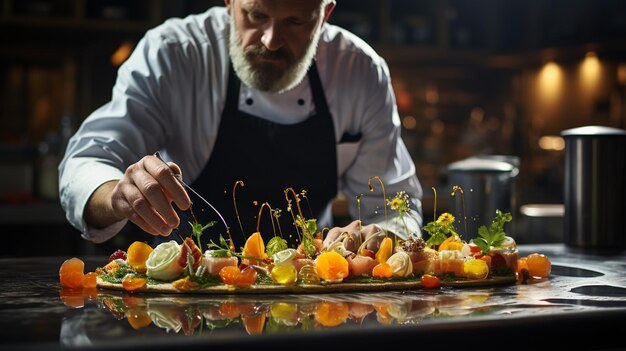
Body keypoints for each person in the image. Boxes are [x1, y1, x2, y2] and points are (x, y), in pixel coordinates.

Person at [59, 0, 423, 251]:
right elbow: (86, 162)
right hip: (184, 297)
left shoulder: (359, 70)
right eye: (256, 15)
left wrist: (383, 235)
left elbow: (393, 207)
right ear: (230, 2)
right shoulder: (175, 52)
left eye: (295, 21)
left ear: (325, 14)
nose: (271, 40)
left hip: (312, 295)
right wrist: (118, 194)